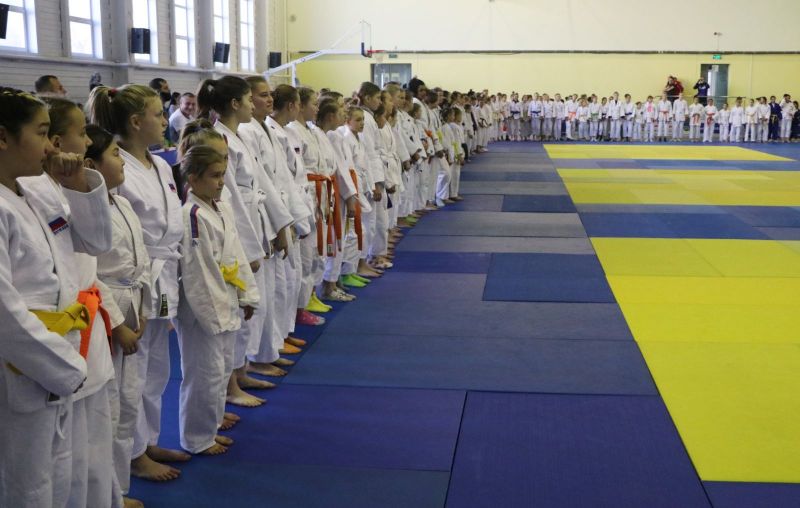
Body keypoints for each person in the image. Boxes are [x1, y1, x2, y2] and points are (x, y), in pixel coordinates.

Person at [0, 87, 108, 508]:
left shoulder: (38, 190)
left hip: (58, 353)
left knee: (60, 471)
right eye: (42, 133)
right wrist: (63, 367)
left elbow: (95, 242)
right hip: (21, 363)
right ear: (3, 137)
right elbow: (4, 312)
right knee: (25, 482)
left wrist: (77, 184)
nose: (51, 147)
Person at [85, 84, 190, 482]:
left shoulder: (160, 163)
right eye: (158, 114)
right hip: (133, 278)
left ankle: (148, 440)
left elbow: (172, 219)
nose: (165, 120)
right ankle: (133, 453)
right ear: (135, 121)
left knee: (157, 368)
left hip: (160, 274)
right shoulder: (117, 166)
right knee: (135, 372)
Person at [43, 97, 120, 508]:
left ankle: (106, 498)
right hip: (56, 335)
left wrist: (77, 185)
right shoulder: (29, 194)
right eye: (81, 133)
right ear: (55, 142)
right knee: (66, 457)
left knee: (99, 434)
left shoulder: (65, 187)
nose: (88, 140)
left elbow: (97, 244)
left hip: (88, 323)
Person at [174, 144, 259, 456]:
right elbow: (199, 274)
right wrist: (216, 316)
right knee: (203, 375)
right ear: (193, 179)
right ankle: (196, 438)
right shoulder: (192, 216)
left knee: (221, 370)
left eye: (223, 174)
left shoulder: (220, 208)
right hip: (204, 311)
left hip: (227, 297)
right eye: (214, 176)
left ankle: (211, 425)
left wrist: (247, 295)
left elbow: (236, 255)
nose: (221, 182)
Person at [83, 124, 148, 508]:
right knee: (107, 411)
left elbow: (139, 259)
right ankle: (106, 495)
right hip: (107, 312)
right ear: (91, 165)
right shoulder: (83, 212)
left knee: (127, 403)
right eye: (114, 154)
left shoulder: (121, 203)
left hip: (133, 299)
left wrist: (144, 307)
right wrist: (118, 323)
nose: (122, 160)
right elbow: (91, 273)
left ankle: (119, 489)